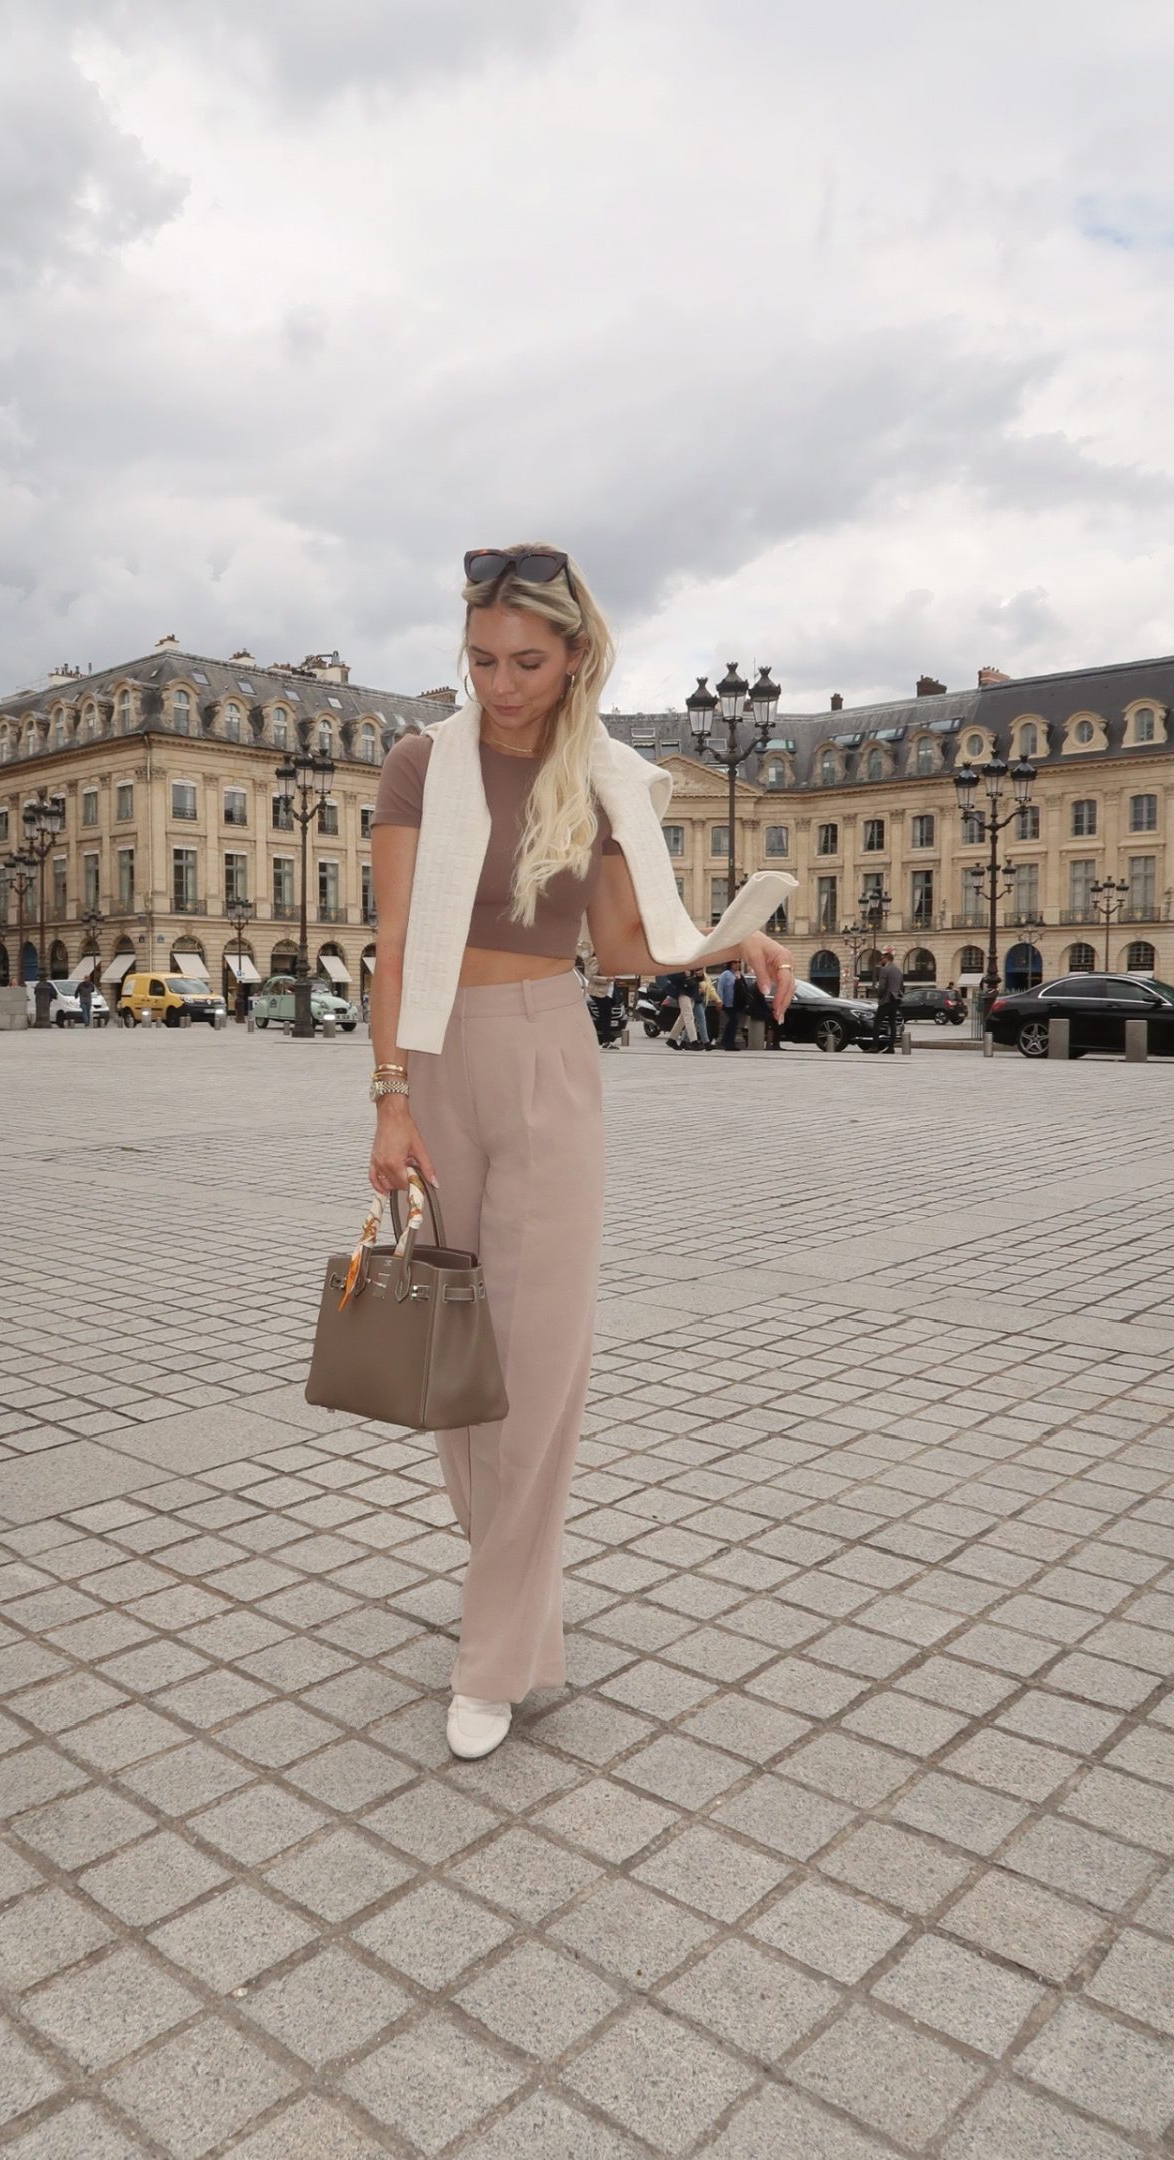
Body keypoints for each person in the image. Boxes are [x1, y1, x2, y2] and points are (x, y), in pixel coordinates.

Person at [367, 541, 793, 1760]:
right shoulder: (420, 764)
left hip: (553, 1047)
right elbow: (396, 941)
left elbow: (624, 945)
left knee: (542, 1364)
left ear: (576, 656)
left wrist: (729, 945)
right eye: (484, 659)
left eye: (529, 662)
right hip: (436, 1057)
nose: (502, 684)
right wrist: (389, 1100)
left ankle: (494, 1651)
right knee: (457, 1357)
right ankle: (513, 1592)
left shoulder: (605, 778)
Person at [666, 968, 709, 1051]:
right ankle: (694, 1042)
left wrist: (700, 975)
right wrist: (684, 974)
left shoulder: (691, 965)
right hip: (683, 993)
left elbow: (695, 980)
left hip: (692, 994)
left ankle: (671, 1039)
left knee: (682, 1018)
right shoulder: (678, 966)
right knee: (689, 1017)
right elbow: (671, 977)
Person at [873, 946, 904, 1053]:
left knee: (877, 1022)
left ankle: (875, 1046)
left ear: (886, 959)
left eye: (882, 958)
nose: (881, 960)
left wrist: (880, 996)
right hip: (895, 999)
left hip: (886, 999)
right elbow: (901, 986)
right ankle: (891, 1047)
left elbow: (882, 986)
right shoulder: (898, 971)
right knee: (892, 1023)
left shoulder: (884, 969)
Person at [717, 960, 743, 1050]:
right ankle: (728, 1042)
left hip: (736, 1002)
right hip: (728, 1002)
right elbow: (720, 987)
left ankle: (726, 1041)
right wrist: (719, 1001)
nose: (737, 964)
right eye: (735, 963)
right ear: (730, 964)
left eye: (738, 962)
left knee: (733, 1022)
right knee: (733, 1021)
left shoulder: (737, 974)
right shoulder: (725, 974)